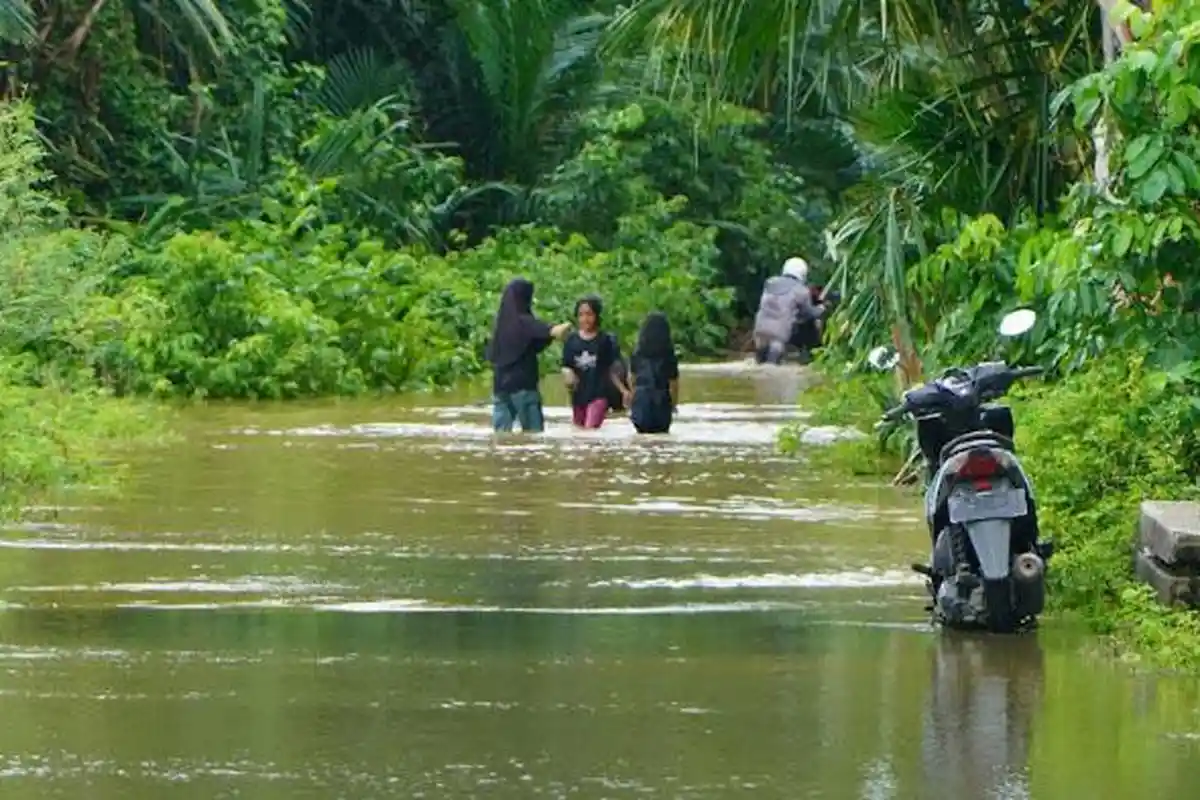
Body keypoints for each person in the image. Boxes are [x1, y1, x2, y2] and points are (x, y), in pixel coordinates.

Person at [486, 278, 571, 432]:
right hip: (523, 386)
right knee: (534, 434)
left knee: (501, 435)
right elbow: (556, 331)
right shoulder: (525, 322)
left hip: (500, 388)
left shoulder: (499, 327)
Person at [561, 295, 631, 429]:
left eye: (589, 314)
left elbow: (611, 369)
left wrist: (624, 391)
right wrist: (567, 374)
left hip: (599, 395)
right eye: (581, 315)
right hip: (578, 396)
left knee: (590, 430)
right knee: (580, 433)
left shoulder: (605, 340)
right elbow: (566, 365)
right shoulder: (571, 340)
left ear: (596, 316)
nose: (585, 319)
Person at [752, 256, 828, 365]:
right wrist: (821, 308)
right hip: (779, 336)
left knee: (760, 365)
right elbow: (809, 314)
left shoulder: (769, 283)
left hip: (759, 332)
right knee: (772, 368)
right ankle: (807, 357)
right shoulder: (801, 291)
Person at [628, 311, 679, 434]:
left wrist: (634, 400)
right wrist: (673, 405)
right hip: (661, 401)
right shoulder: (669, 356)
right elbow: (674, 385)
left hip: (641, 401)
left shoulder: (637, 354)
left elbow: (632, 380)